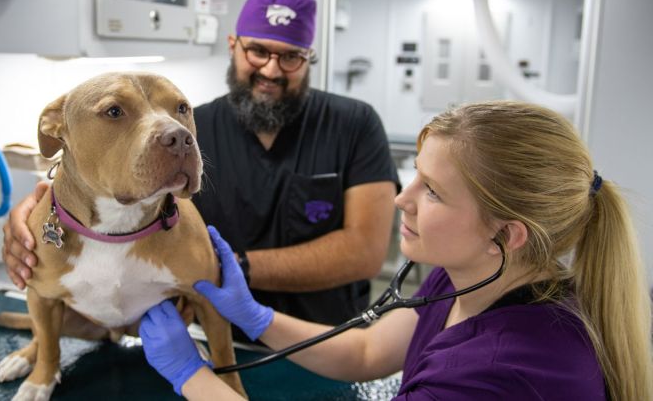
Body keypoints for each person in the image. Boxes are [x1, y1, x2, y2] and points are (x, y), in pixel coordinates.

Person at [139, 100, 653, 400]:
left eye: (432, 190)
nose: (401, 200)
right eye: (415, 178)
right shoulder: (469, 276)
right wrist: (257, 318)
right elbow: (369, 351)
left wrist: (194, 378)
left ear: (507, 233)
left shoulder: (499, 373)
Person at [2, 0, 400, 328]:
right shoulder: (186, 130)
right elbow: (99, 191)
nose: (272, 70)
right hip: (207, 334)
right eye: (258, 51)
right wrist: (34, 216)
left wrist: (213, 271)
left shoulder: (354, 124)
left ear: (309, 58)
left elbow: (365, 254)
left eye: (291, 57)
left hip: (329, 337)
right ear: (234, 46)